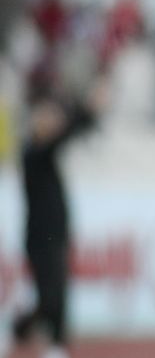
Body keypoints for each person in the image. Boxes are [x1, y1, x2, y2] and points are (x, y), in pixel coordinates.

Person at [12, 82, 107, 358]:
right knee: (49, 296)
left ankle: (49, 341)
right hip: (40, 237)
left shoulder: (47, 154)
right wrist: (87, 109)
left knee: (57, 294)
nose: (51, 123)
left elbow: (72, 134)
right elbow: (63, 137)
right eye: (46, 118)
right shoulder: (33, 154)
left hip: (57, 233)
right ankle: (27, 332)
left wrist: (90, 114)